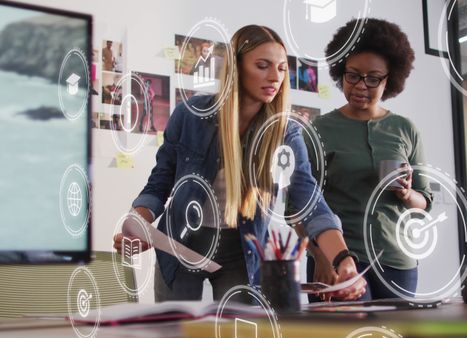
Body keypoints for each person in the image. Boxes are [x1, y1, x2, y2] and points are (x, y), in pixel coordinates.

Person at [113, 25, 366, 302]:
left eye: (282, 69)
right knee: (178, 329)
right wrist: (138, 221)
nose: (275, 77)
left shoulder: (285, 133)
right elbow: (159, 184)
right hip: (180, 243)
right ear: (236, 67)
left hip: (241, 249)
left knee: (241, 329)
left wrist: (343, 259)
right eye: (262, 65)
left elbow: (309, 199)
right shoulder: (189, 115)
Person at [305, 19, 432, 301]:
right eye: (353, 75)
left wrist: (407, 193)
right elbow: (301, 205)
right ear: (341, 73)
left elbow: (425, 202)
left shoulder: (405, 128)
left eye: (373, 78)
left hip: (397, 260)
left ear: (390, 80)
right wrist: (321, 257)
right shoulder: (319, 130)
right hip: (338, 258)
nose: (361, 86)